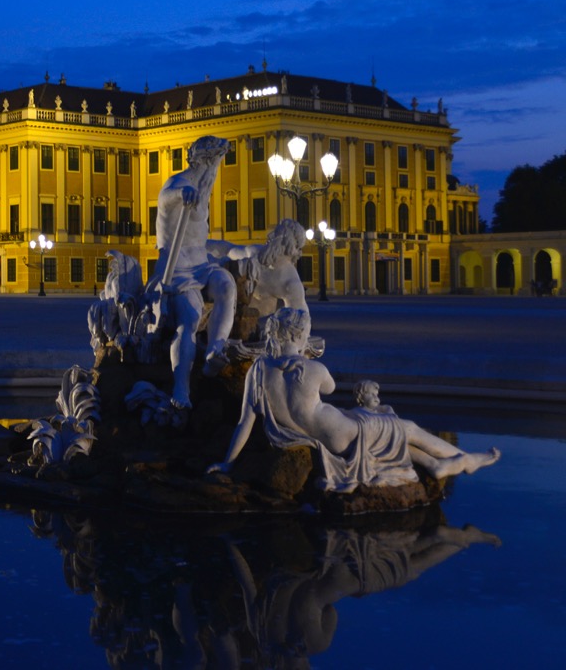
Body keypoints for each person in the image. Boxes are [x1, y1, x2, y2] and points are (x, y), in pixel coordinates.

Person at [208, 308, 500, 490]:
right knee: (407, 428)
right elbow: (330, 389)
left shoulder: (258, 370)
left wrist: (227, 463)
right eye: (307, 335)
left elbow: (244, 423)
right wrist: (307, 358)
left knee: (389, 433)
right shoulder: (313, 368)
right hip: (343, 435)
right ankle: (466, 460)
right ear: (299, 337)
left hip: (325, 432)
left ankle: (435, 465)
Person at [144, 135, 242, 408]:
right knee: (189, 317)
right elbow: (166, 197)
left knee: (226, 284)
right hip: (176, 270)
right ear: (207, 161)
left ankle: (214, 351)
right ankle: (180, 388)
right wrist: (180, 195)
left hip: (202, 264)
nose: (219, 168)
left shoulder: (203, 188)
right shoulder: (179, 184)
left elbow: (199, 236)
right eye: (218, 161)